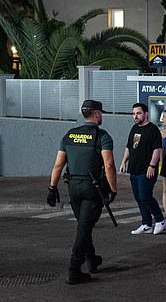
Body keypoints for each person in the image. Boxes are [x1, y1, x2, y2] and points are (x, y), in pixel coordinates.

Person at [47, 100, 118, 285]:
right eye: (100, 113)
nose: (101, 115)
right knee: (84, 229)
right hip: (92, 188)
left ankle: (92, 259)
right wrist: (113, 189)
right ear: (95, 114)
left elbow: (58, 165)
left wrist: (52, 188)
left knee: (83, 226)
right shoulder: (102, 136)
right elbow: (109, 165)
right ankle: (74, 269)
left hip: (73, 187)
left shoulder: (69, 135)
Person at [119, 103, 166, 235]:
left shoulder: (153, 130)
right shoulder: (134, 128)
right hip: (134, 169)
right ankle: (146, 224)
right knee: (139, 198)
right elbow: (129, 146)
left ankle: (160, 220)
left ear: (146, 114)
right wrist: (124, 162)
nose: (135, 116)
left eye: (138, 113)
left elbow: (157, 149)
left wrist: (152, 165)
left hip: (147, 169)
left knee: (145, 196)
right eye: (134, 113)